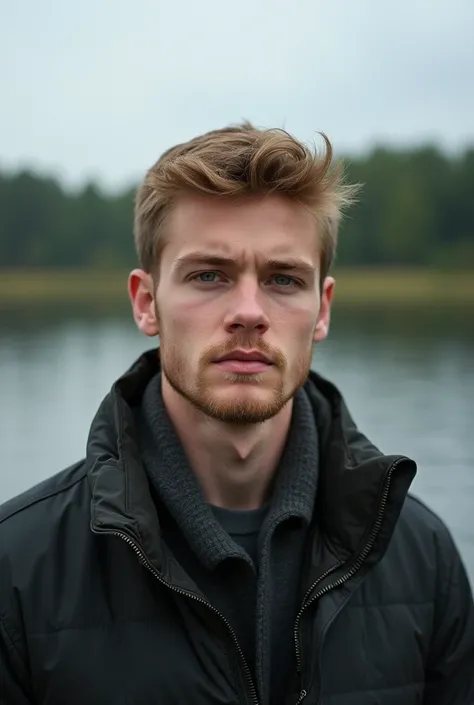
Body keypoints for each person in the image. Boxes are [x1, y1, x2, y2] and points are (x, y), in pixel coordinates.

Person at [0, 122, 473, 705]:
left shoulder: (421, 554)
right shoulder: (16, 567)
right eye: (209, 276)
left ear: (321, 309)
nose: (248, 312)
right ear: (146, 303)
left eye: (282, 279)